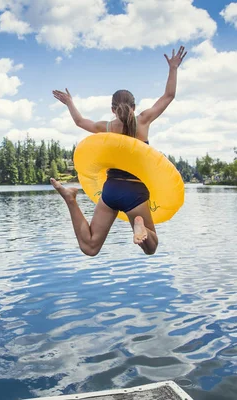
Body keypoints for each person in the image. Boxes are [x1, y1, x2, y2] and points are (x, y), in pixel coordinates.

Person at [50, 46, 187, 256]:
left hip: (110, 190)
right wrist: (173, 68)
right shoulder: (143, 121)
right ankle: (139, 225)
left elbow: (79, 121)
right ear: (134, 106)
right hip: (135, 191)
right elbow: (168, 96)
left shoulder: (104, 127)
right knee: (151, 247)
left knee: (90, 246)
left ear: (113, 109)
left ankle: (70, 199)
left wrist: (70, 102)